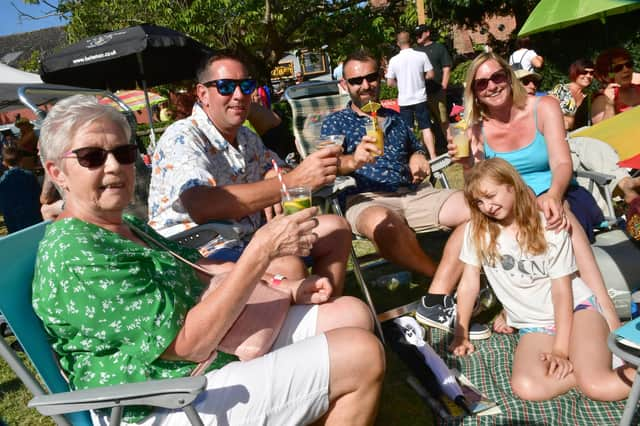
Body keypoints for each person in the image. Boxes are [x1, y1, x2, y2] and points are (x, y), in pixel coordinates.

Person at [34, 94, 385, 425]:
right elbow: (188, 345)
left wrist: (288, 287)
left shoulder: (124, 225)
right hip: (160, 399)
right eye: (91, 157)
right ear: (57, 172)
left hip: (208, 356)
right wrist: (261, 251)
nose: (114, 168)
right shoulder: (77, 253)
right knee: (360, 354)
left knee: (350, 313)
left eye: (123, 153)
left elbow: (201, 270)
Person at [148, 52, 352, 294]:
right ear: (203, 94)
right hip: (199, 250)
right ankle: (308, 323)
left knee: (336, 229)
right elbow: (200, 204)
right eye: (225, 87)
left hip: (250, 238)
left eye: (246, 85)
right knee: (288, 266)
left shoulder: (246, 137)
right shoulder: (183, 137)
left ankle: (324, 308)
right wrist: (289, 182)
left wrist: (273, 176)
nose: (239, 95)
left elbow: (278, 169)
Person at [321, 50, 490, 340]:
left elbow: (417, 148)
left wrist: (418, 156)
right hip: (365, 197)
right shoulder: (335, 124)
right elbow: (325, 167)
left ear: (379, 79)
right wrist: (353, 161)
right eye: (356, 80)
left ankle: (437, 295)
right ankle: (442, 280)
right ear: (344, 85)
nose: (365, 85)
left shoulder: (396, 119)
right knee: (383, 224)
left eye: (371, 78)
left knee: (478, 206)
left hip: (413, 193)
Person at [452, 52, 619, 334]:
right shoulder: (476, 128)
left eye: (497, 77)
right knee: (467, 229)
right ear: (474, 93)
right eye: (481, 83)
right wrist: (467, 163)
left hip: (557, 190)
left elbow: (562, 162)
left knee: (560, 220)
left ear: (509, 77)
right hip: (508, 203)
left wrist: (553, 193)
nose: (491, 86)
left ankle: (609, 317)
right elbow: (481, 184)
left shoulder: (544, 107)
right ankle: (438, 303)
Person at [450, 158, 634, 402]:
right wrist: (460, 333)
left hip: (577, 311)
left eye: (491, 196)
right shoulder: (478, 231)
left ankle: (595, 371)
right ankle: (587, 367)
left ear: (512, 186)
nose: (487, 206)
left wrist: (560, 349)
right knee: (527, 386)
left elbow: (561, 291)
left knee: (599, 386)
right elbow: (469, 283)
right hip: (536, 325)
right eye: (479, 202)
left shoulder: (548, 224)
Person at [386, 31, 437, 159]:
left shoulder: (394, 60)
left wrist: (400, 84)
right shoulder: (421, 55)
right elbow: (431, 74)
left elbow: (389, 82)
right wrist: (420, 79)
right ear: (411, 41)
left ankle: (410, 156)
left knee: (407, 129)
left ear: (398, 43)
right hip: (420, 97)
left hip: (404, 100)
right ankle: (433, 155)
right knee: (425, 127)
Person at [414, 24, 453, 140]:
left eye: (420, 34)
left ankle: (451, 146)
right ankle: (430, 151)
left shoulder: (439, 48)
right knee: (424, 125)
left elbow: (446, 67)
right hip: (420, 93)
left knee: (443, 120)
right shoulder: (414, 51)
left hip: (437, 91)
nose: (417, 37)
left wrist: (444, 86)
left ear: (427, 33)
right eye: (415, 35)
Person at [592, 47, 640, 124]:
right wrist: (609, 105)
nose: (626, 70)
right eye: (618, 68)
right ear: (606, 76)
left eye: (628, 64)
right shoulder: (601, 101)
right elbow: (603, 132)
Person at [0, 146, 42, 233]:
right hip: (34, 218)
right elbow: (39, 196)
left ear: (4, 163)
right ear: (21, 160)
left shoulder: (2, 181)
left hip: (14, 222)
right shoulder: (29, 176)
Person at [549, 59, 595, 131]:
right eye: (584, 72)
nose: (588, 76)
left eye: (591, 73)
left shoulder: (587, 98)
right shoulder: (561, 89)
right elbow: (546, 109)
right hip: (556, 131)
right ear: (575, 72)